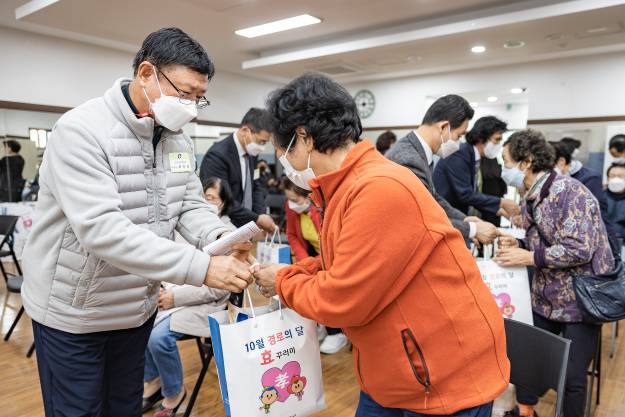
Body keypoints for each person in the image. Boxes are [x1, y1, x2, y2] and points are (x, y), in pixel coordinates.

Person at [21, 27, 254, 417]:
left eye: (200, 98)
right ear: (146, 73)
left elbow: (189, 205)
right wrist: (202, 267)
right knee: (77, 412)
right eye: (184, 94)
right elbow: (101, 230)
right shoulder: (82, 130)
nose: (191, 107)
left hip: (135, 310)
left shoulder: (177, 139)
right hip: (75, 316)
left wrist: (223, 237)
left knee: (124, 408)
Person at [255, 73, 510, 417]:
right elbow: (343, 262)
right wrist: (293, 271)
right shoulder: (346, 186)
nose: (279, 157)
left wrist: (283, 282)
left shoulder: (378, 188)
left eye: (279, 145)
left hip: (441, 377)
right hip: (398, 370)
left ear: (303, 136)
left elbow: (342, 298)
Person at [494, 130, 614, 417]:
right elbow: (540, 238)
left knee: (572, 378)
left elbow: (580, 249)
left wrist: (529, 255)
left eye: (506, 161)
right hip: (546, 296)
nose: (503, 168)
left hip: (580, 300)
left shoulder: (570, 193)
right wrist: (519, 243)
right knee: (527, 362)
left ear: (526, 162)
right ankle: (526, 411)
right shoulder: (532, 194)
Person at [142, 176, 233, 417]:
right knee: (138, 322)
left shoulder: (227, 234)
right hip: (171, 296)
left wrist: (174, 297)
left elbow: (218, 287)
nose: (205, 202)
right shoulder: (186, 226)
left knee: (157, 338)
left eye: (212, 198)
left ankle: (175, 394)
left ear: (223, 203)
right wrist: (163, 291)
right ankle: (153, 383)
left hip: (206, 305)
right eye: (202, 197)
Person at [386, 95, 499, 246]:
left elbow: (432, 196)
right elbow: (421, 218)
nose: (458, 144)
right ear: (444, 127)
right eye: (459, 136)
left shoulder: (419, 152)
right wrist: (472, 229)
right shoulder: (408, 158)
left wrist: (464, 219)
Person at [283, 177, 348, 354]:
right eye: (289, 199)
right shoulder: (291, 208)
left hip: (332, 255)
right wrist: (304, 261)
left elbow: (331, 242)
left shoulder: (321, 209)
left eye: (295, 200)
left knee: (328, 291)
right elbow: (292, 235)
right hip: (312, 254)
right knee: (310, 288)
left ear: (308, 196)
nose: (292, 204)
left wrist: (317, 262)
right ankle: (321, 326)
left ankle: (337, 332)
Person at [200, 108, 277, 232]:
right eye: (261, 141)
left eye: (265, 143)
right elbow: (221, 199)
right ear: (245, 131)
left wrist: (260, 214)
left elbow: (254, 185)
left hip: (246, 225)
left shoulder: (251, 153)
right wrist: (256, 219)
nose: (262, 148)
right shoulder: (218, 156)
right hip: (222, 226)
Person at [434, 116, 519, 218]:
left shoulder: (474, 156)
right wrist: (501, 202)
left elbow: (473, 194)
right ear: (481, 138)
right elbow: (465, 194)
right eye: (496, 140)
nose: (499, 145)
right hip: (446, 216)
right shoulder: (460, 154)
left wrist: (499, 210)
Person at [552, 140, 620, 256]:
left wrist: (613, 249)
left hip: (584, 244)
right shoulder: (554, 181)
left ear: (561, 162)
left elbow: (599, 215)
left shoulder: (588, 178)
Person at [606, 163, 625, 241]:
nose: (616, 179)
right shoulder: (599, 197)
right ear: (608, 178)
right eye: (612, 176)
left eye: (620, 176)